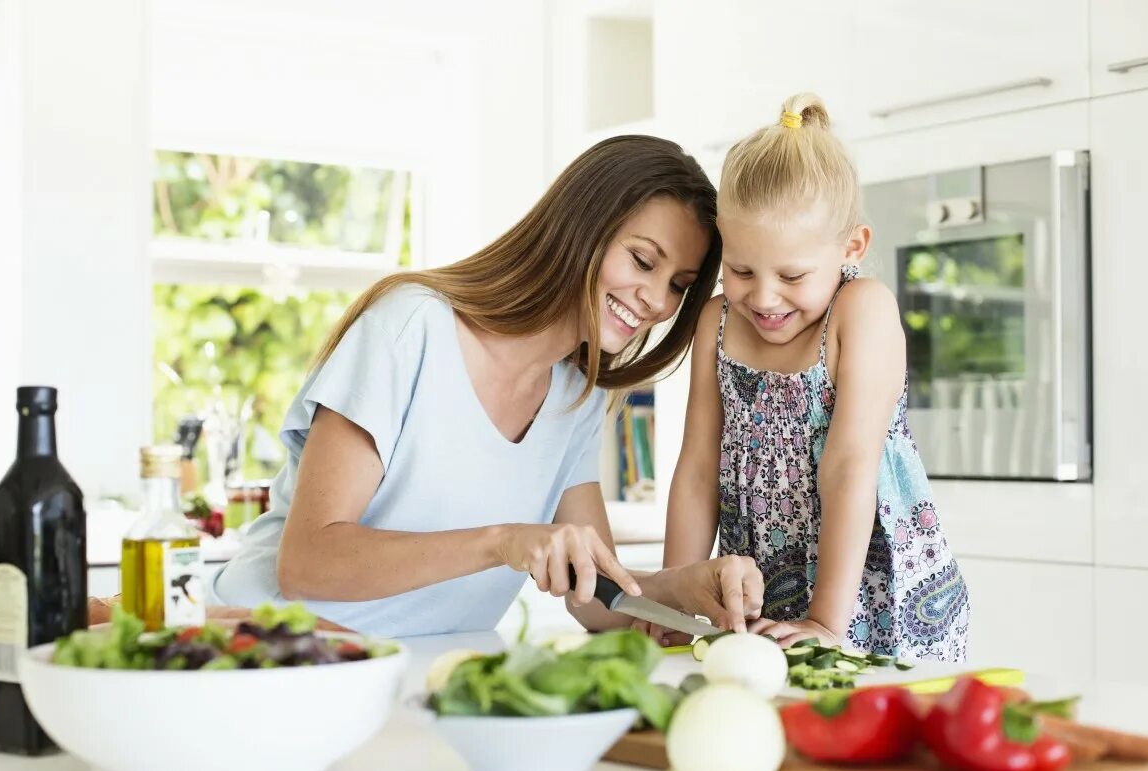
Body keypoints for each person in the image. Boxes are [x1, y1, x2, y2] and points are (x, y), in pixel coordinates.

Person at [212, 135, 765, 636]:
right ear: (581, 226)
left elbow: (595, 598)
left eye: (678, 285)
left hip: (427, 674)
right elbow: (308, 564)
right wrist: (504, 541)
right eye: (643, 261)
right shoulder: (411, 327)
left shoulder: (579, 396)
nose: (658, 301)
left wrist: (682, 586)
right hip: (271, 655)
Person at [660, 93, 969, 660]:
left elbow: (851, 465)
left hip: (869, 598)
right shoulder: (718, 321)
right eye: (741, 269)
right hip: (762, 601)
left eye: (792, 274)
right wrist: (673, 603)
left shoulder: (861, 311)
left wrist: (827, 619)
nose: (764, 295)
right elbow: (698, 468)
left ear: (852, 246)